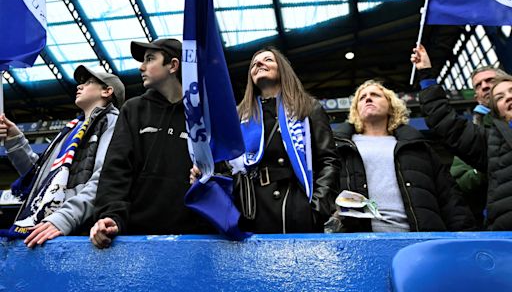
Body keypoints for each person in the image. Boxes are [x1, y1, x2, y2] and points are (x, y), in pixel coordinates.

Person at [90, 38, 212, 249]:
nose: (141, 66)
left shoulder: (204, 115)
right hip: (134, 240)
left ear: (173, 65)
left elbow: (224, 170)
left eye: (149, 59)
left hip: (195, 240)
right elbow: (116, 170)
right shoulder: (133, 109)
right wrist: (112, 216)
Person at [212, 47, 340, 233]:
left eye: (268, 60)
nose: (259, 64)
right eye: (254, 63)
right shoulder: (238, 116)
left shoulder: (307, 107)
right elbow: (225, 166)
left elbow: (328, 161)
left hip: (296, 209)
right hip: (250, 209)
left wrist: (316, 209)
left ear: (282, 69)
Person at [0, 66, 124, 247]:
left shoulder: (114, 122)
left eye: (88, 82)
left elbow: (104, 178)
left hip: (75, 229)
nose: (79, 87)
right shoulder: (70, 130)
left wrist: (64, 218)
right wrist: (15, 140)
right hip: (44, 227)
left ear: (107, 91)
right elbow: (40, 179)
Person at [334, 80, 475, 232]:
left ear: (391, 106)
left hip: (419, 241)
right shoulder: (339, 148)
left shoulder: (417, 146)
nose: (368, 98)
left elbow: (449, 196)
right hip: (357, 242)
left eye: (375, 95)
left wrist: (466, 236)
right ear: (356, 110)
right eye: (362, 98)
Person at [412, 45, 512, 230]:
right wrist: (426, 75)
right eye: (499, 97)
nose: (486, 86)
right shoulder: (491, 141)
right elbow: (446, 123)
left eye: (491, 80)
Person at [449, 65, 505, 227]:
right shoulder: (472, 135)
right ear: (477, 97)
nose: (485, 86)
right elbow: (458, 182)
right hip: (497, 219)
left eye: (490, 80)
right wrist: (485, 169)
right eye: (478, 85)